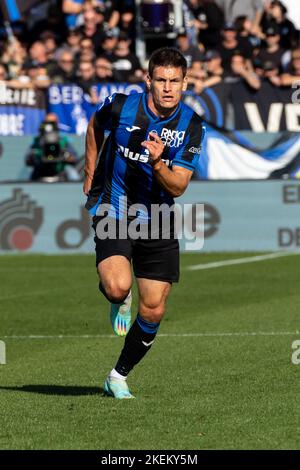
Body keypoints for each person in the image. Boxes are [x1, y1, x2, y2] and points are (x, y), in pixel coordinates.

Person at [83, 47, 206, 399]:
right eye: (161, 80)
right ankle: (116, 298)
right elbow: (95, 125)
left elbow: (179, 186)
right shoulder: (122, 106)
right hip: (115, 209)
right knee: (118, 287)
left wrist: (156, 163)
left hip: (159, 217)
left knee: (154, 307)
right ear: (148, 80)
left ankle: (117, 376)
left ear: (185, 83)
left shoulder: (191, 125)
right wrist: (90, 170)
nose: (168, 88)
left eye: (175, 81)